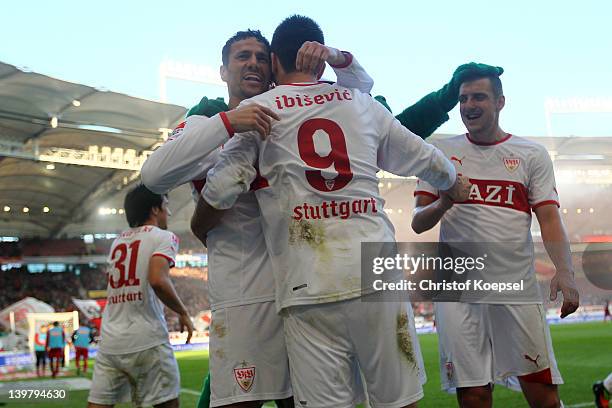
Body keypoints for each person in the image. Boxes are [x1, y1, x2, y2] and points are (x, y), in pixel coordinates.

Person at [196, 15, 469, 408]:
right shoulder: (361, 105)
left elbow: (221, 188)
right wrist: (453, 184)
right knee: (399, 402)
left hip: (306, 284)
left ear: (274, 62)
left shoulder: (259, 110)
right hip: (375, 272)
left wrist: (198, 223)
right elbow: (426, 159)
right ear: (321, 61)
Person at [142, 30, 375, 408]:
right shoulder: (207, 125)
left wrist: (332, 54)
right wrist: (230, 122)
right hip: (244, 296)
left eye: (260, 57)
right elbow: (153, 176)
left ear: (273, 68)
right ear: (223, 71)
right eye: (242, 56)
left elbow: (360, 88)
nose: (253, 62)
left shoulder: (293, 117)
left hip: (305, 292)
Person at [412, 67, 580, 408]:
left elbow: (549, 218)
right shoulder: (439, 152)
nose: (469, 105)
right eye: (463, 99)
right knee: (473, 395)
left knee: (543, 394)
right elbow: (418, 223)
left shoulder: (531, 154)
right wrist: (445, 200)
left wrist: (565, 271)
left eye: (478, 97)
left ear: (500, 102)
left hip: (514, 286)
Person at [87, 184, 194, 408]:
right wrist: (183, 312)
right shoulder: (164, 237)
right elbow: (157, 280)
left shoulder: (118, 241)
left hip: (110, 342)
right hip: (147, 339)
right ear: (155, 209)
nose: (169, 212)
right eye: (166, 206)